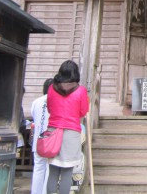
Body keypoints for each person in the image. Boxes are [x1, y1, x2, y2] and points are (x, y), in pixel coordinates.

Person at [46, 60, 89, 194]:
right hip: (71, 133)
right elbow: (83, 111)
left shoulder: (52, 88)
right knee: (66, 171)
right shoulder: (81, 90)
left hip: (53, 131)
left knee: (53, 171)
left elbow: (49, 108)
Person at [30, 78, 54, 194]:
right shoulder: (55, 102)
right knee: (49, 169)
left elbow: (33, 116)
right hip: (51, 141)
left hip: (38, 141)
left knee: (38, 169)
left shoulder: (36, 102)